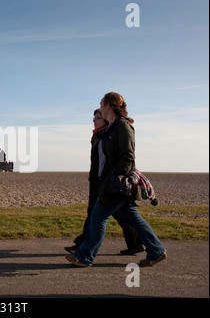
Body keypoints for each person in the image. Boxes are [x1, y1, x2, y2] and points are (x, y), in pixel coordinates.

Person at [66, 92, 167, 267]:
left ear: (109, 106)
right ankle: (156, 250)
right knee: (133, 218)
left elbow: (128, 156)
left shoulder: (122, 126)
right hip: (114, 183)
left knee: (98, 216)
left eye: (101, 104)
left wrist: (115, 177)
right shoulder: (111, 128)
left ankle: (84, 256)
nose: (100, 109)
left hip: (118, 184)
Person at [64, 109, 144, 255]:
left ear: (105, 120)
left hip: (106, 180)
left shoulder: (108, 134)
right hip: (99, 179)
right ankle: (137, 243)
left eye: (97, 117)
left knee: (95, 213)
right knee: (122, 213)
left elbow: (123, 156)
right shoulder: (98, 135)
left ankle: (83, 248)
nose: (94, 120)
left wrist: (114, 176)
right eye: (94, 117)